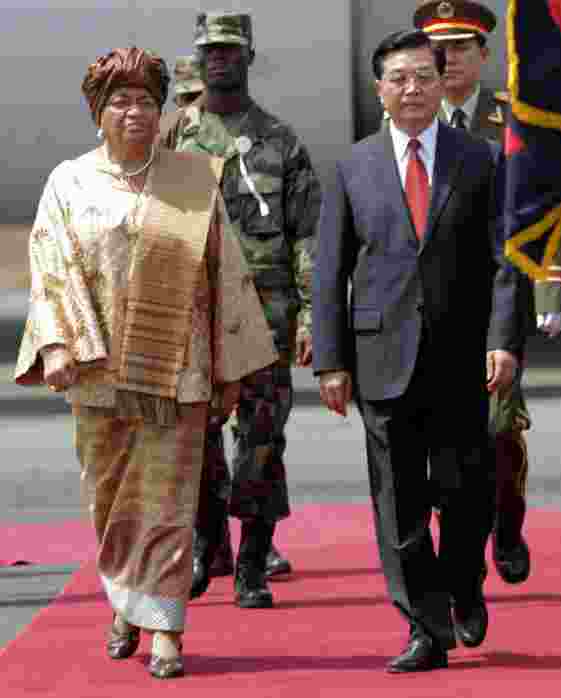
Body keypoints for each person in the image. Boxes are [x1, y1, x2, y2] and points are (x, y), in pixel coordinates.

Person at [13, 47, 277, 679]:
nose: (134, 112)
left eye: (146, 102)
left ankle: (165, 627)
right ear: (98, 113)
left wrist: (230, 368)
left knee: (167, 501)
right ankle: (125, 602)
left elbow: (226, 272)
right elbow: (50, 267)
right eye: (120, 102)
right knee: (110, 502)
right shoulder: (68, 182)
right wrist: (56, 345)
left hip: (176, 370)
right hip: (97, 371)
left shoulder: (190, 180)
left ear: (163, 113)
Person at [313, 29, 522, 673]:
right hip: (382, 356)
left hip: (463, 357)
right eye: (399, 79)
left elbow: (506, 261)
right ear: (379, 89)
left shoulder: (480, 159)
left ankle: (463, 587)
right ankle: (425, 628)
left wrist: (503, 341)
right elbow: (330, 271)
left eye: (424, 77)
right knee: (398, 502)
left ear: (440, 83)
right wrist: (331, 361)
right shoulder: (353, 166)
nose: (412, 89)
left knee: (466, 492)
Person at [161, 11, 322, 608]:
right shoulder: (175, 139)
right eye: (210, 49)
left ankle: (253, 560)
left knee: (261, 440)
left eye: (230, 49)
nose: (220, 58)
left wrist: (311, 316)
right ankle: (208, 546)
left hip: (266, 316)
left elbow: (308, 236)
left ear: (249, 56)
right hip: (196, 317)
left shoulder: (281, 140)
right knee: (197, 440)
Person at [413, 0, 561, 584]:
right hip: (431, 303)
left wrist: (551, 287)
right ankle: (461, 545)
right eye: (438, 49)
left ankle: (507, 523)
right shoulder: (408, 121)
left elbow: (543, 209)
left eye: (460, 47)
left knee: (498, 429)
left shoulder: (513, 119)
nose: (448, 59)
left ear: (484, 54)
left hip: (498, 296)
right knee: (439, 436)